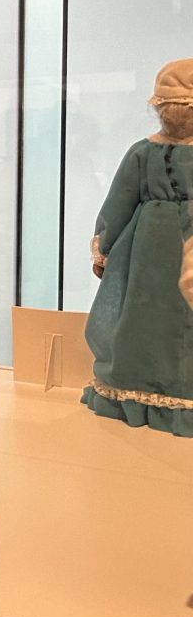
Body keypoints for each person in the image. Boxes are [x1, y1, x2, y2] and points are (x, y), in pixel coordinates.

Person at [83, 58, 193, 436]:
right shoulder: (142, 152)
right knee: (172, 322)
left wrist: (105, 248)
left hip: (148, 247)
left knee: (142, 322)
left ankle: (142, 390)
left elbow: (117, 205)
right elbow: (120, 201)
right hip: (158, 250)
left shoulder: (142, 152)